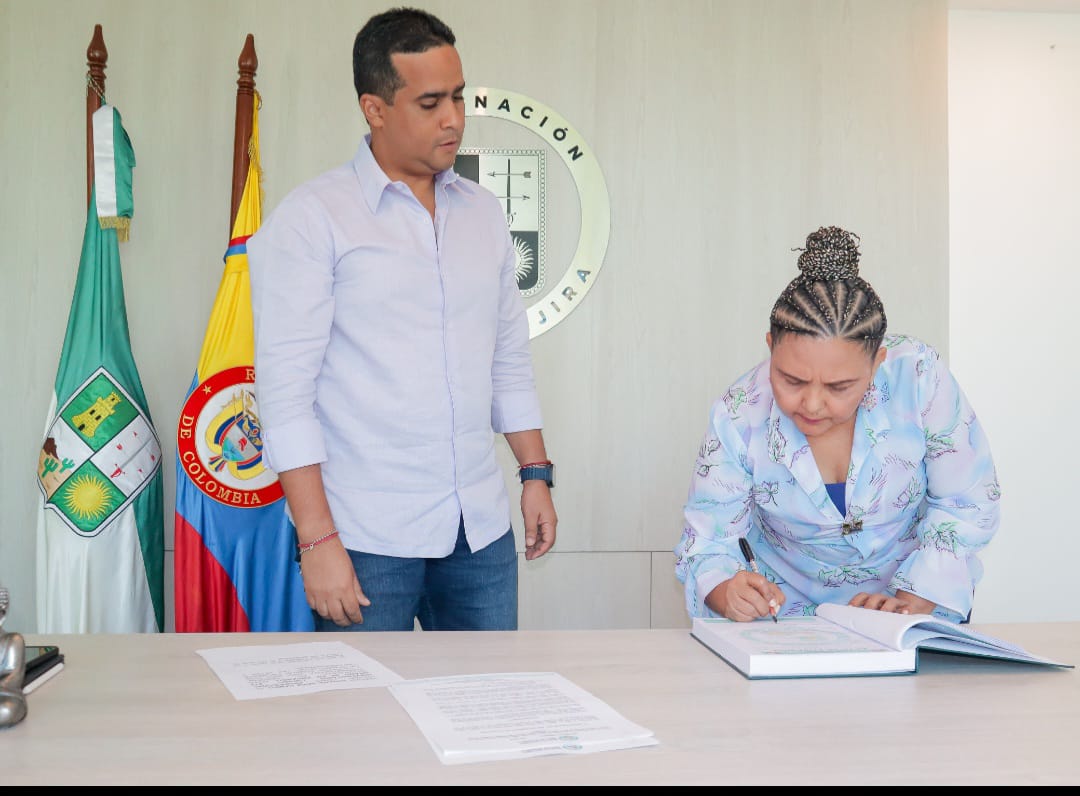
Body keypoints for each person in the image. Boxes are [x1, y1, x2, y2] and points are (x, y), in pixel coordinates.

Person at [247, 7, 556, 632]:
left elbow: (507, 359)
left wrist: (535, 474)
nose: (454, 118)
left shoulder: (483, 214)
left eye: (458, 97)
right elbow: (285, 396)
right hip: (363, 538)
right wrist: (316, 540)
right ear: (375, 108)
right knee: (365, 700)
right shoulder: (312, 219)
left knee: (490, 693)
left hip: (479, 531)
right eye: (430, 103)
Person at [675, 226, 1000, 624]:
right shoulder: (739, 413)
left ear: (877, 364)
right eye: (791, 380)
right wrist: (728, 592)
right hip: (785, 621)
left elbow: (967, 501)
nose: (812, 404)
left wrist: (911, 602)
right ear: (770, 347)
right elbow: (708, 544)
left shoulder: (918, 378)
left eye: (839, 386)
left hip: (915, 604)